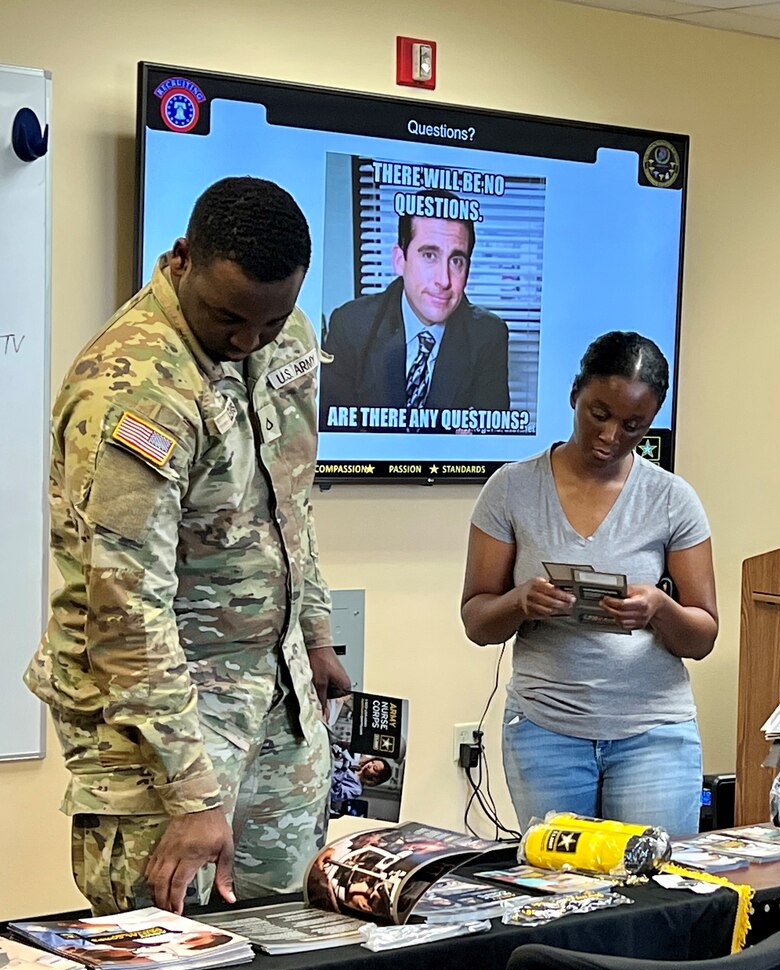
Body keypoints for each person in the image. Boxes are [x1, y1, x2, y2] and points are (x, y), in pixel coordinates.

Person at [25, 177, 349, 917]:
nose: (247, 340)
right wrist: (194, 792)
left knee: (289, 948)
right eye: (228, 316)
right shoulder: (135, 386)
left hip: (275, 698)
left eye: (269, 322)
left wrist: (316, 634)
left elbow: (290, 505)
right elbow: (124, 613)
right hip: (162, 731)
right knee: (171, 966)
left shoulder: (286, 336)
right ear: (181, 261)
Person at [460, 331, 718, 836]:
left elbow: (703, 636)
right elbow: (476, 621)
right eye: (599, 414)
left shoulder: (672, 499)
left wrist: (659, 608)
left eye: (633, 426)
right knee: (560, 897)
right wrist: (520, 601)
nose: (611, 437)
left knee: (654, 894)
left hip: (654, 733)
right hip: (545, 730)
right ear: (575, 392)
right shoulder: (511, 489)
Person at [319, 188, 510, 430]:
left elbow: (488, 444)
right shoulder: (350, 324)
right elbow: (334, 436)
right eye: (430, 255)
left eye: (457, 261)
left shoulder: (488, 335)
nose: (444, 280)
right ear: (400, 260)